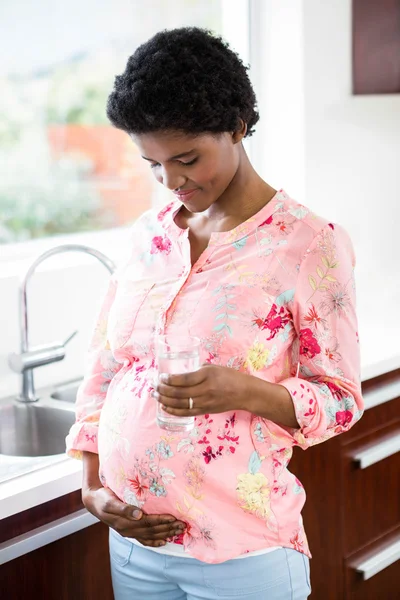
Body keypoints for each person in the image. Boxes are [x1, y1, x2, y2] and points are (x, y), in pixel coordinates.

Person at [66, 27, 363, 600]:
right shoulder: (148, 236)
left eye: (186, 159)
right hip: (135, 544)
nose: (171, 182)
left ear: (237, 126)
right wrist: (92, 488)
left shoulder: (307, 244)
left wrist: (244, 391)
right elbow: (105, 366)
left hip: (240, 554)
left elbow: (342, 400)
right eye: (152, 164)